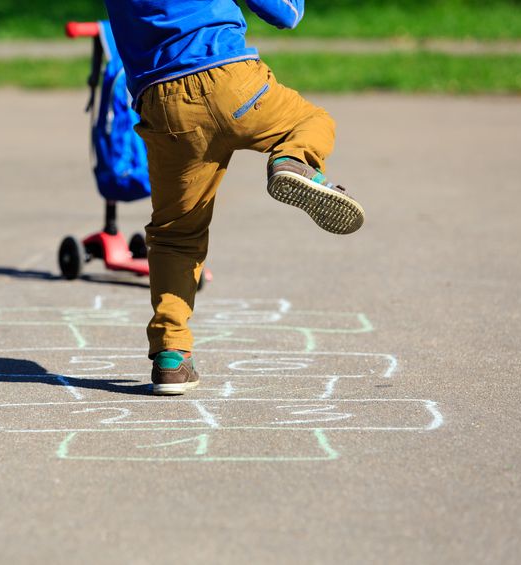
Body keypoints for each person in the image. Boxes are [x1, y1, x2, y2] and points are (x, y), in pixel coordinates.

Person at [102, 0, 365, 395]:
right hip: (232, 81)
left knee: (175, 234)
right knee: (312, 121)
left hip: (165, 104)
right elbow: (285, 14)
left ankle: (171, 354)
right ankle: (293, 159)